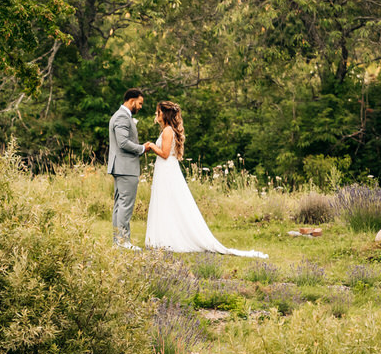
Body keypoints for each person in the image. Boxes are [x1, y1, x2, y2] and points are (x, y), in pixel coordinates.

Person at [142, 101, 269, 258]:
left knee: (167, 201)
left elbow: (165, 154)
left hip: (167, 171)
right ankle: (164, 236)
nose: (157, 114)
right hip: (166, 170)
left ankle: (167, 238)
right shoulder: (167, 130)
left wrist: (151, 146)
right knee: (166, 202)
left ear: (165, 114)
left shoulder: (168, 131)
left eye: (159, 111)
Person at [106, 88, 146, 247]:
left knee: (119, 205)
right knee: (125, 205)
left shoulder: (120, 115)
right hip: (125, 167)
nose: (140, 107)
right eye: (140, 103)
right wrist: (142, 148)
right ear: (131, 101)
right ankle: (124, 241)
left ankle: (118, 241)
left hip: (121, 167)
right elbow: (123, 142)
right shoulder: (122, 116)